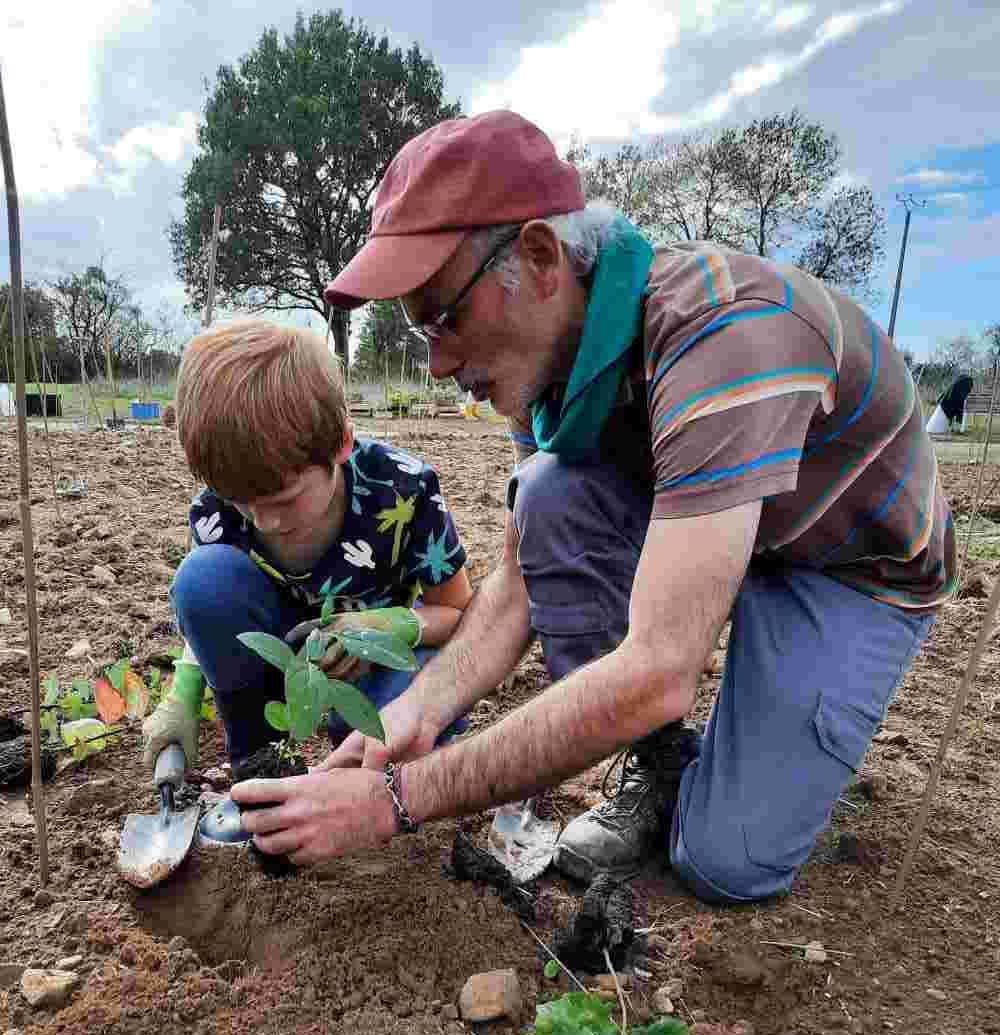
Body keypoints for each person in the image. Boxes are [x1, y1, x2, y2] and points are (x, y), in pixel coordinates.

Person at [232, 111, 956, 903]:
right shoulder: (538, 371)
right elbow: (514, 582)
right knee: (548, 491)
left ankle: (765, 742)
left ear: (541, 257)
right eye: (418, 334)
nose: (438, 364)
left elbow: (656, 672)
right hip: (723, 528)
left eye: (445, 315)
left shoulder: (722, 333)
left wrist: (395, 800)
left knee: (725, 861)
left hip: (845, 561)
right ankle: (663, 766)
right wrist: (418, 709)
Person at [141, 320, 473, 846]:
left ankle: (357, 786)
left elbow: (458, 614)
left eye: (282, 501)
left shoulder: (403, 491)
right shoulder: (218, 512)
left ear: (340, 443)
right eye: (241, 502)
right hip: (276, 660)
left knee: (435, 690)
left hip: (371, 672)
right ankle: (261, 769)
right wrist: (182, 694)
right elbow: (211, 606)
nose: (263, 521)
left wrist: (383, 627)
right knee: (201, 580)